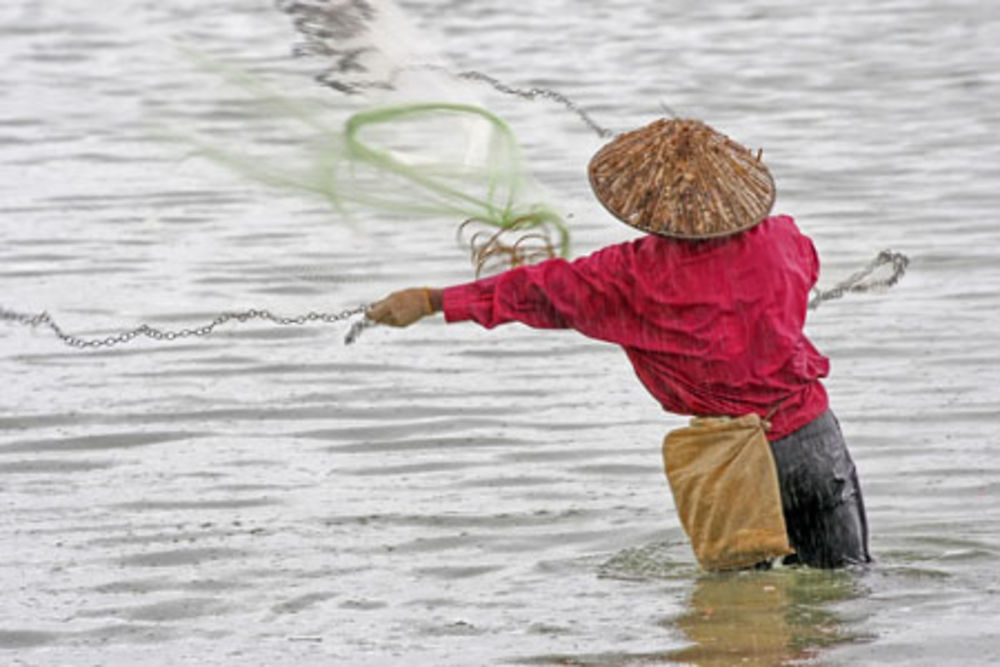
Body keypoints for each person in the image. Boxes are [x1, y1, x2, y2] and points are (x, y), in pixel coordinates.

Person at [367, 118, 871, 569]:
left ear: (648, 204)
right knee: (844, 593)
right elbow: (806, 270)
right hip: (813, 442)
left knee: (739, 621)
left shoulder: (627, 277)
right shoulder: (784, 239)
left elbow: (536, 292)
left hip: (729, 458)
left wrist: (434, 300)